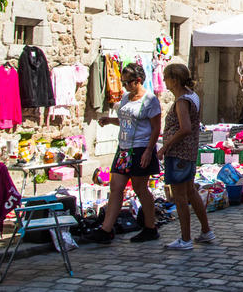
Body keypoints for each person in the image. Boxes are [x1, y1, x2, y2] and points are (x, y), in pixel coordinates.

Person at [91, 63, 162, 244]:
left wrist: (148, 151)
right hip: (124, 149)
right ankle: (106, 229)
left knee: (140, 188)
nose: (124, 86)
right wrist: (110, 121)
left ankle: (150, 227)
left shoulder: (150, 101)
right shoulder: (125, 98)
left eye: (126, 82)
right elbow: (125, 119)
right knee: (116, 187)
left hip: (140, 148)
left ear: (137, 81)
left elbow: (155, 129)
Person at [157, 63, 215, 249]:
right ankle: (206, 231)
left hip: (179, 152)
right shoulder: (192, 95)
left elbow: (185, 128)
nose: (164, 80)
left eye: (166, 77)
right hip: (188, 152)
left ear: (174, 80)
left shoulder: (182, 100)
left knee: (180, 196)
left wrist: (165, 146)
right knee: (190, 190)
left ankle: (185, 238)